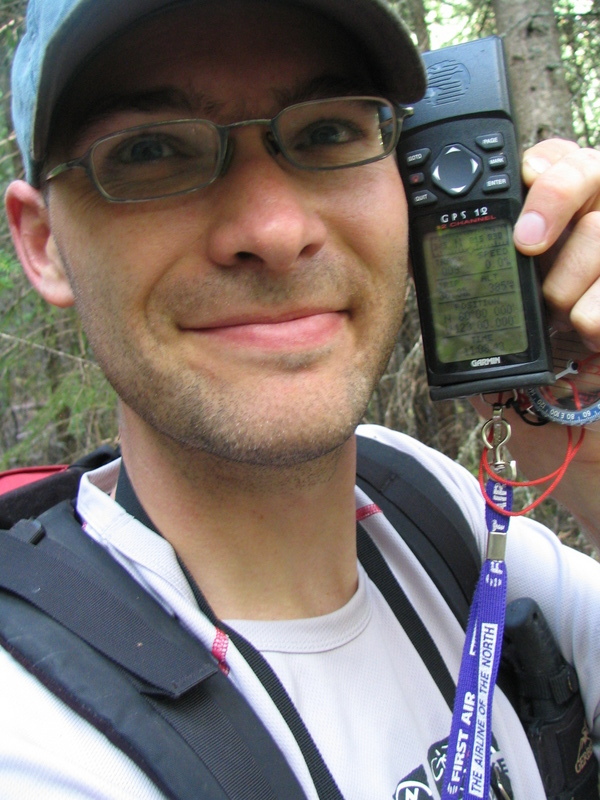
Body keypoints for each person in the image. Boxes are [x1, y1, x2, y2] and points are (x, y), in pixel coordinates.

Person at [2, 0, 600, 797]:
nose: (276, 230)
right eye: (151, 151)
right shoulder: (37, 735)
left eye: (328, 133)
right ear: (43, 244)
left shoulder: (424, 508)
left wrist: (586, 445)